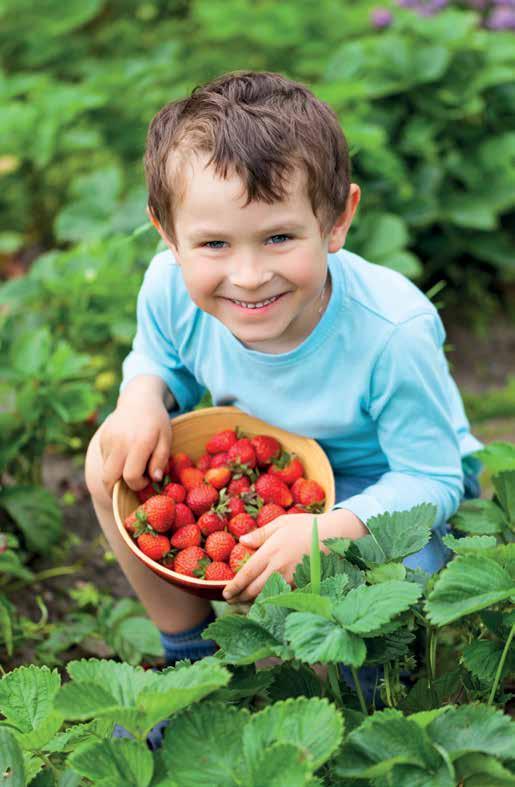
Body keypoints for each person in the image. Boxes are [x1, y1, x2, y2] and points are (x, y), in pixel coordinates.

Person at [85, 70, 482, 672]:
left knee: (359, 621)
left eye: (277, 237)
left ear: (336, 221)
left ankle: (368, 695)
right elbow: (158, 357)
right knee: (106, 460)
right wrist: (141, 394)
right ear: (166, 233)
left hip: (383, 493)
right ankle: (185, 655)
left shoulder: (392, 333)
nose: (247, 275)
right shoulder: (168, 286)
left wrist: (329, 532)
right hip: (263, 475)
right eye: (214, 244)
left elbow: (433, 478)